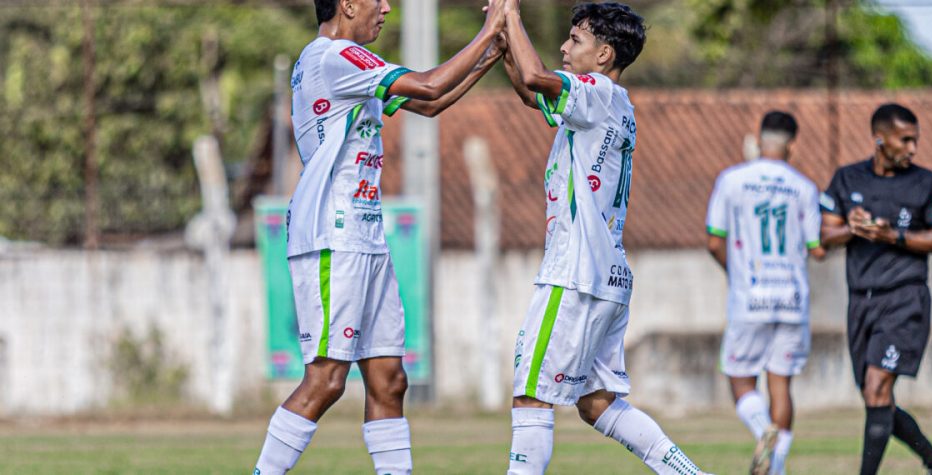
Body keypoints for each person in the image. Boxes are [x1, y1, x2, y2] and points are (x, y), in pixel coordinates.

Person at [252, 0, 508, 473]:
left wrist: (492, 50)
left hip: (366, 237)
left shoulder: (348, 66)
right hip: (333, 235)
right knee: (327, 381)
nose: (386, 8)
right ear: (348, 4)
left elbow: (428, 104)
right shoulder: (335, 57)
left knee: (390, 380)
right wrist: (490, 27)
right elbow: (429, 83)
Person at [499, 3, 709, 474]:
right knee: (597, 402)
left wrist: (510, 14)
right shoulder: (613, 101)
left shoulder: (594, 91)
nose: (563, 47)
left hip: (574, 273)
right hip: (606, 274)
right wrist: (503, 44)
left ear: (603, 55)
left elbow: (536, 79)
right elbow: (533, 94)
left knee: (531, 395)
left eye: (575, 40)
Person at [820, 103, 932, 475]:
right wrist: (852, 228)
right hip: (861, 302)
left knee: (877, 388)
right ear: (880, 139)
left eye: (916, 140)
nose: (913, 148)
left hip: (905, 299)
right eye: (905, 140)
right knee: (877, 400)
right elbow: (823, 234)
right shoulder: (847, 178)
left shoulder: (926, 182)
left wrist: (895, 235)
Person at [706, 111, 825, 475]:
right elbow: (816, 248)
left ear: (758, 140)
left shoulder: (732, 180)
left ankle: (763, 430)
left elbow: (714, 242)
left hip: (750, 297)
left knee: (739, 378)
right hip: (792, 299)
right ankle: (777, 468)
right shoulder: (804, 187)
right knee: (781, 385)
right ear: (793, 145)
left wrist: (736, 272)